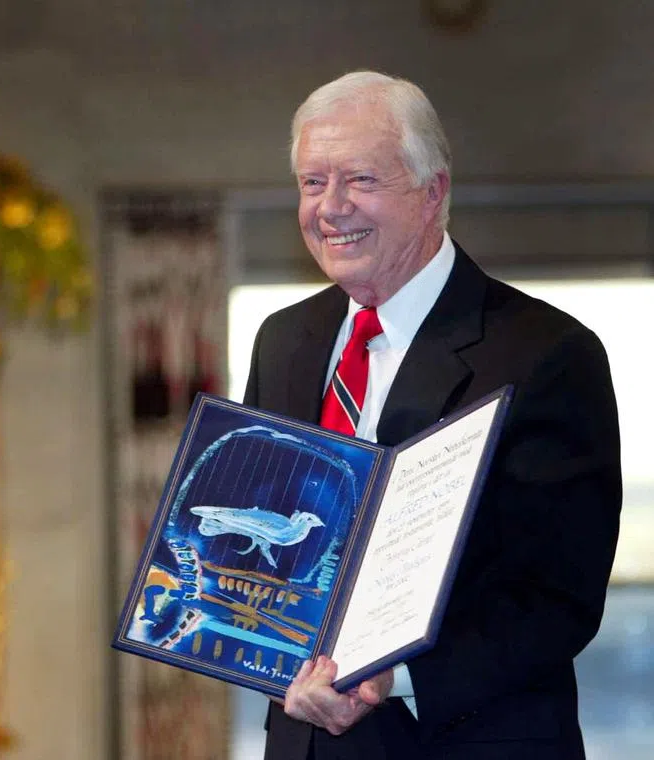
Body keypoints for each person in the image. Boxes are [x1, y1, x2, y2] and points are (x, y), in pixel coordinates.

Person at [247, 71, 621, 759]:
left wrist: (394, 678)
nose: (331, 207)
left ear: (433, 192)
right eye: (312, 182)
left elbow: (555, 597)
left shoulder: (549, 353)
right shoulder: (283, 341)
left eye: (360, 179)